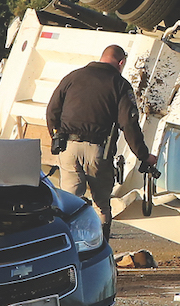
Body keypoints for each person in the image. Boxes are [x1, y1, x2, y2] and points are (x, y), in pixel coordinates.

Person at [47, 44, 157, 240]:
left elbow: (52, 110)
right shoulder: (120, 84)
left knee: (69, 202)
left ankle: (66, 246)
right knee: (101, 205)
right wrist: (143, 156)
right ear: (121, 62)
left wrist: (56, 137)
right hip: (99, 151)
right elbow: (129, 124)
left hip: (68, 148)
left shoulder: (73, 77)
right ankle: (100, 248)